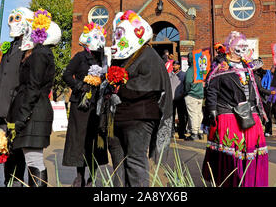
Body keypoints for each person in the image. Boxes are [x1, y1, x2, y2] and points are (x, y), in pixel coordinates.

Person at [105, 10, 172, 187]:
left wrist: (120, 88)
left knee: (135, 161)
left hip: (139, 118)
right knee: (120, 163)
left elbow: (149, 86)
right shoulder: (123, 57)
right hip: (119, 117)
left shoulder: (148, 55)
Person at [202, 31, 268, 187]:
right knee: (232, 151)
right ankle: (230, 182)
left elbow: (254, 89)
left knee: (251, 149)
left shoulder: (247, 66)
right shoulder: (221, 66)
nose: (243, 49)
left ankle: (250, 182)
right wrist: (211, 109)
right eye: (239, 46)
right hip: (228, 113)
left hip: (249, 113)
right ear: (231, 48)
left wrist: (259, 108)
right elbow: (212, 88)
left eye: (245, 46)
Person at [6, 9, 61, 187]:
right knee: (32, 160)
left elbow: (33, 87)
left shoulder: (40, 54)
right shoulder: (38, 53)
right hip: (34, 111)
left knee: (34, 160)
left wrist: (22, 117)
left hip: (34, 112)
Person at [0, 7, 34, 186]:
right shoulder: (10, 48)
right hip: (1, 106)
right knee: (3, 147)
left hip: (15, 107)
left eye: (17, 19)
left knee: (16, 149)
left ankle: (16, 182)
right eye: (11, 18)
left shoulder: (29, 49)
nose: (13, 23)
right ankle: (9, 181)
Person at [62, 22, 109, 187]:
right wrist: (79, 85)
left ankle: (92, 176)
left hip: (98, 104)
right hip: (80, 106)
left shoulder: (104, 59)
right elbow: (67, 74)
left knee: (95, 140)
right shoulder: (80, 57)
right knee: (79, 140)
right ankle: (79, 175)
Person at [184, 52, 204, 140]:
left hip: (192, 94)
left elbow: (188, 82)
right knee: (199, 114)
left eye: (188, 58)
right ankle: (200, 132)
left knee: (193, 114)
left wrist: (186, 91)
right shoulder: (199, 69)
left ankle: (194, 133)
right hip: (200, 95)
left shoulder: (190, 69)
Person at [169, 61, 187, 139]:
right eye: (173, 65)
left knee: (181, 117)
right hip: (171, 99)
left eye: (176, 65)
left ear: (179, 66)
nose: (174, 66)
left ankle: (181, 133)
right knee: (171, 116)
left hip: (180, 98)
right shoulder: (169, 74)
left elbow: (186, 86)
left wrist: (182, 94)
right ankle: (171, 133)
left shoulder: (183, 75)